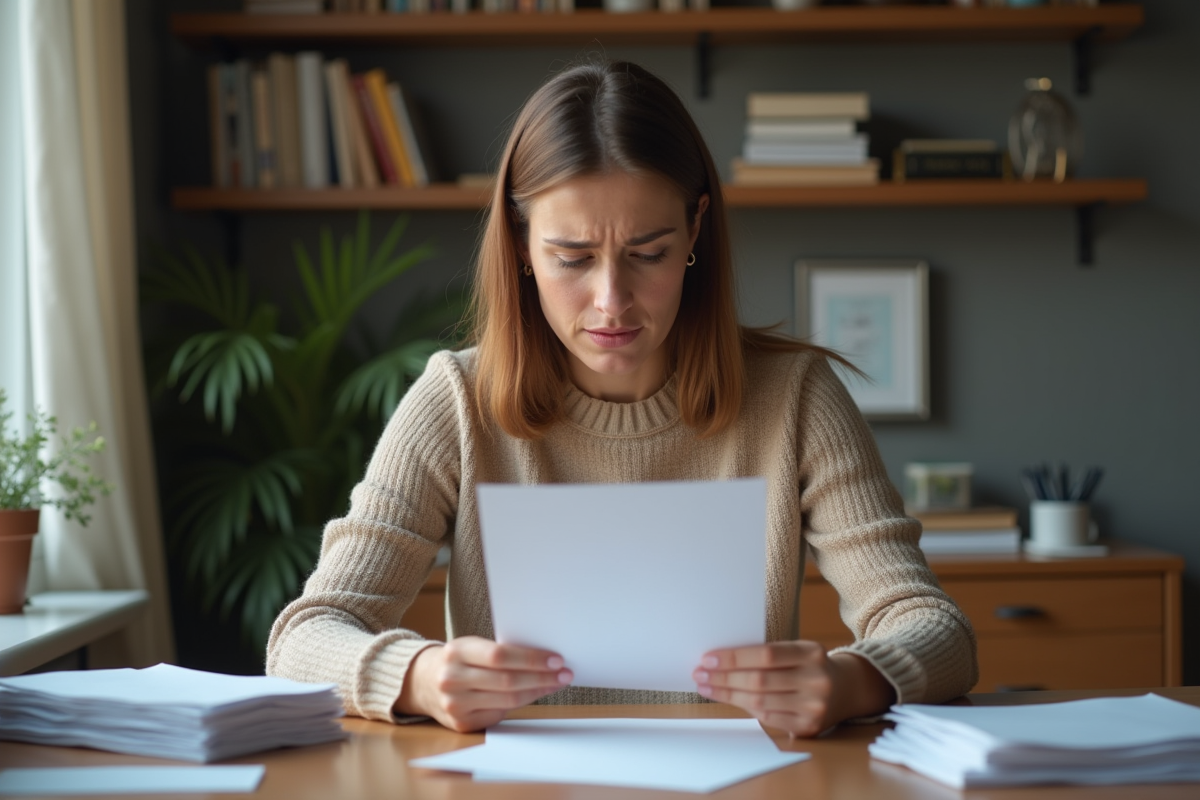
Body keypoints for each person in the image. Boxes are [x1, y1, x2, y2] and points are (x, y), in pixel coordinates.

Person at [267, 60, 978, 737]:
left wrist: (854, 681)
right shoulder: (456, 400)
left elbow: (934, 628)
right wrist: (417, 674)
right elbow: (304, 637)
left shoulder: (795, 398)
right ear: (520, 245)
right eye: (572, 258)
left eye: (649, 253)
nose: (611, 301)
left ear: (696, 230)